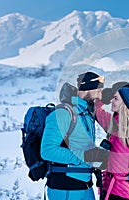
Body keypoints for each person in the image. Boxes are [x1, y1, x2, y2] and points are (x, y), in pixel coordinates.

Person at [41, 71, 109, 200]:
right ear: (90, 89)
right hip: (65, 187)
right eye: (99, 90)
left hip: (85, 185)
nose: (101, 95)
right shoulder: (63, 113)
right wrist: (84, 156)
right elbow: (47, 150)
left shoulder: (86, 113)